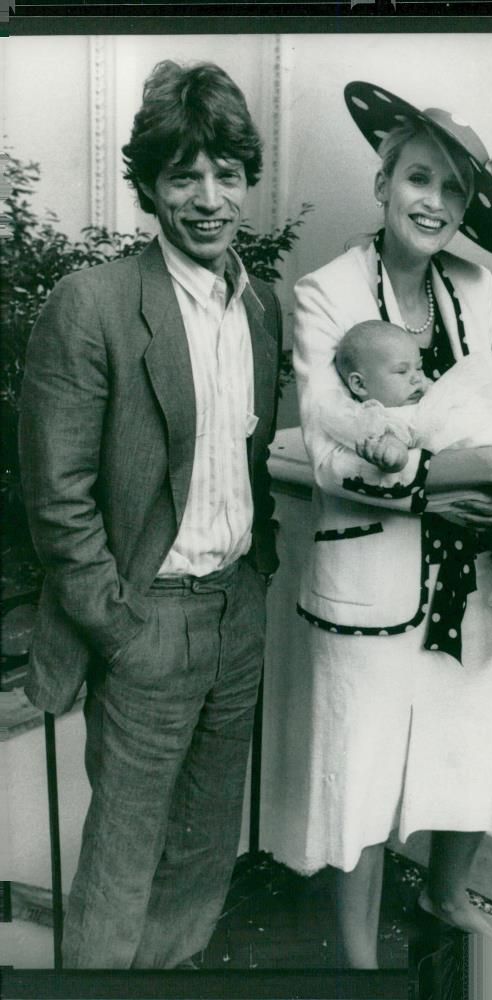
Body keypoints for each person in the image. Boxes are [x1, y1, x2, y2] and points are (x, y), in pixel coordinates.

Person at [283, 81, 492, 967]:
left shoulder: (473, 288)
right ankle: (358, 960)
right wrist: (467, 475)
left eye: (453, 189)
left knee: (473, 731)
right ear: (384, 181)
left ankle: (443, 896)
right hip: (366, 572)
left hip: (460, 566)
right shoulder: (325, 293)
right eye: (418, 179)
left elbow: (485, 412)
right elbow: (332, 459)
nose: (434, 202)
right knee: (359, 764)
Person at [19, 60, 281, 969]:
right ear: (150, 186)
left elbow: (248, 453)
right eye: (183, 176)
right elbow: (57, 498)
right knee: (123, 864)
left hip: (236, 614)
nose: (208, 199)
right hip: (147, 622)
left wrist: (254, 580)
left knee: (204, 853)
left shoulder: (259, 306)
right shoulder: (89, 306)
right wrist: (119, 627)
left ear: (248, 179)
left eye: (227, 174)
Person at [326, 320, 492, 668]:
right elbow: (392, 447)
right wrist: (390, 454)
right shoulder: (381, 414)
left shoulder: (422, 398)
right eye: (402, 371)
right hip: (444, 499)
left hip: (474, 444)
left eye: (418, 368)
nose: (416, 379)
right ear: (359, 385)